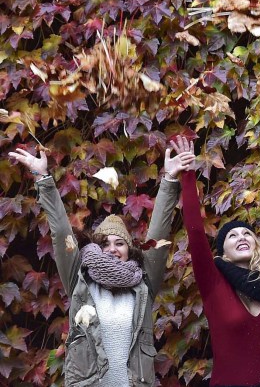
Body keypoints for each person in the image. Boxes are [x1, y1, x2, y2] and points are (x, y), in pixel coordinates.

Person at [8, 144, 195, 386]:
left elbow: (159, 230)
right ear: (96, 248)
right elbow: (60, 230)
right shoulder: (80, 279)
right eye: (105, 243)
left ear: (130, 251)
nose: (112, 249)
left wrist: (169, 178)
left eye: (120, 243)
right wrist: (43, 177)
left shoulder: (143, 283)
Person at [172, 137, 260, 387]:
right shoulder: (212, 281)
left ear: (256, 243)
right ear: (223, 252)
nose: (241, 237)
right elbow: (194, 230)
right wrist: (188, 175)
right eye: (231, 236)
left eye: (247, 233)